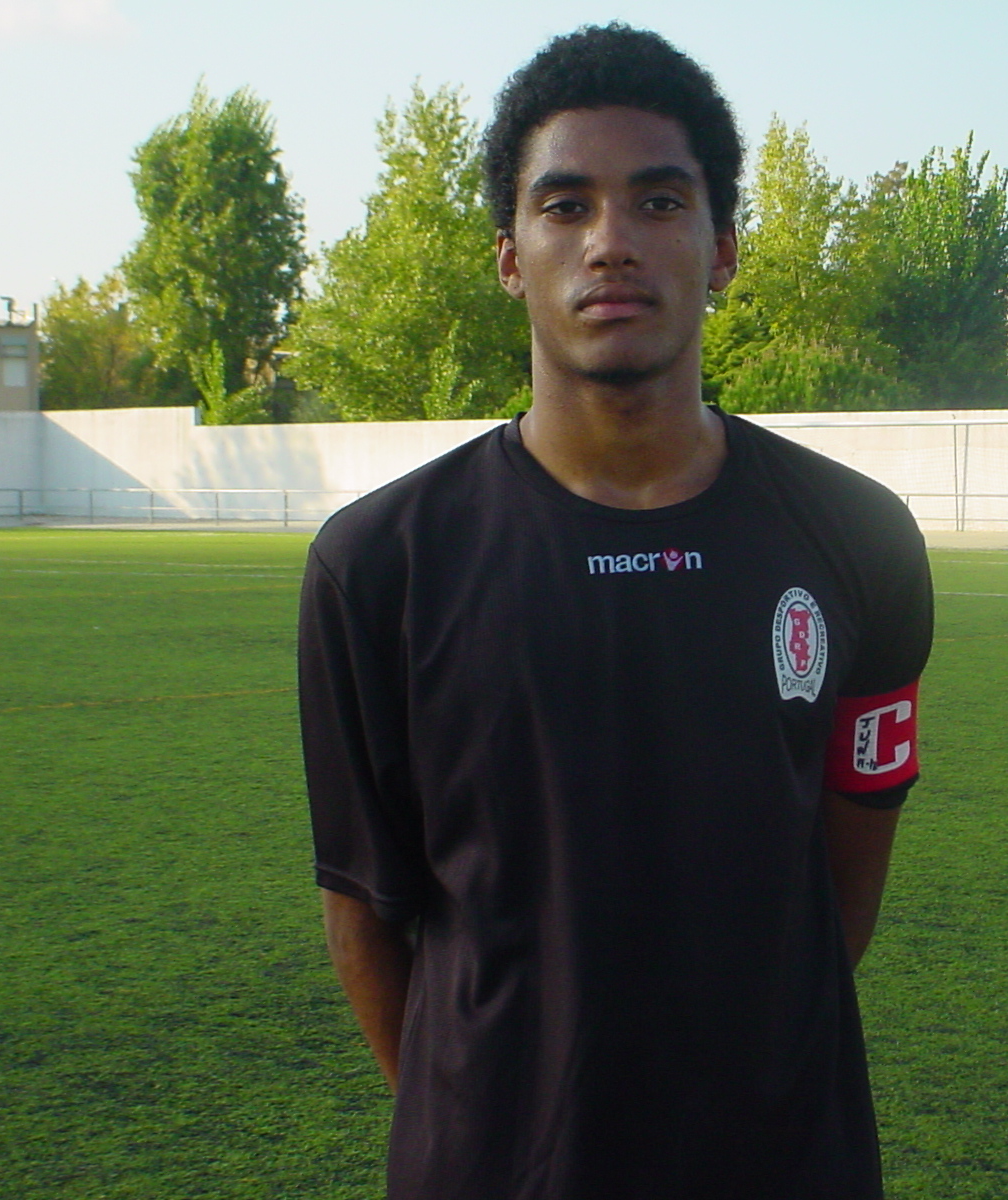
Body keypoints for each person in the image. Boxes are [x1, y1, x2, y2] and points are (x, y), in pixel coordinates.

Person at [298, 24, 933, 1199]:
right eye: (565, 205)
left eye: (658, 201)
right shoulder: (377, 565)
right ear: (509, 257)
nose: (610, 242)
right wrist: (491, 1120)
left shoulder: (859, 541)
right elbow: (364, 921)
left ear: (722, 248)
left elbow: (843, 890)